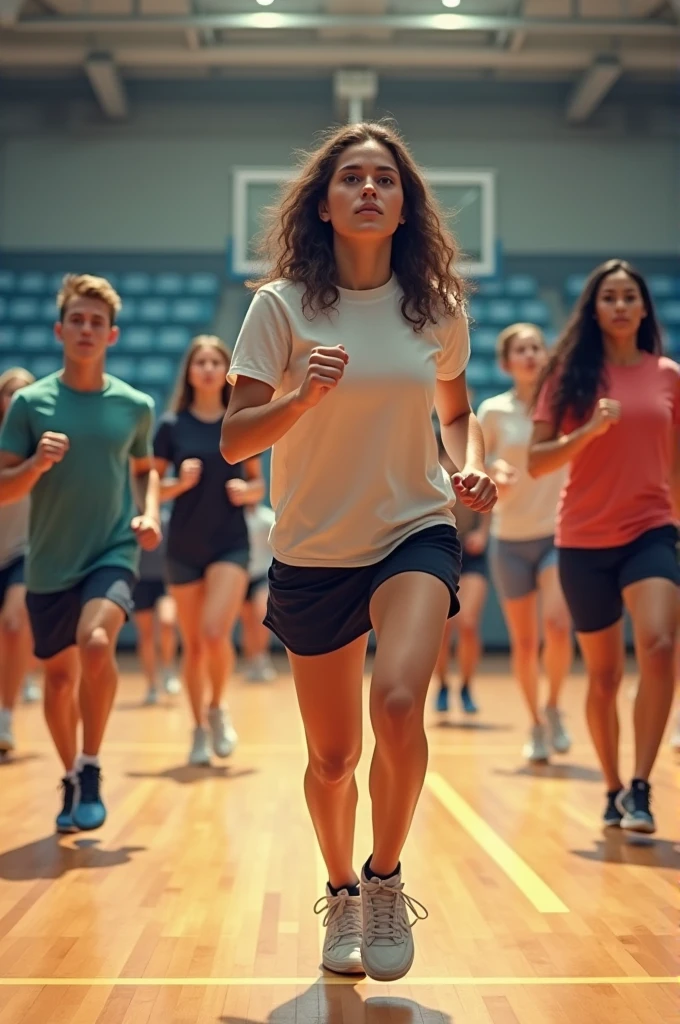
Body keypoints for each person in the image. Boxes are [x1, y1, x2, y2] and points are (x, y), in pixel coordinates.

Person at [221, 121, 496, 982]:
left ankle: (384, 878)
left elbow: (456, 412)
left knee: (403, 702)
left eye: (385, 178)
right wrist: (298, 399)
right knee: (333, 758)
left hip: (414, 527)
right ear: (326, 204)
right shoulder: (280, 306)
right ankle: (339, 887)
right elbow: (234, 439)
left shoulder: (438, 308)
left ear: (405, 202)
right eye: (352, 178)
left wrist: (472, 466)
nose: (370, 189)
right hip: (313, 547)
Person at [0, 274, 161, 832]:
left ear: (111, 334)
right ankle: (68, 775)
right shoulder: (29, 403)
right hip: (48, 562)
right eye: (78, 320)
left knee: (97, 645)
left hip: (112, 549)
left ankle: (91, 765)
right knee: (60, 681)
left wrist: (150, 513)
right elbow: (4, 488)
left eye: (97, 321)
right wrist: (35, 465)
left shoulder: (135, 405)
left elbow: (146, 474)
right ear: (60, 329)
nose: (87, 329)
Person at [529, 259, 680, 833]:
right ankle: (612, 786)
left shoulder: (668, 375)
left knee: (661, 645)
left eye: (629, 297)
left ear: (644, 308)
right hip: (584, 538)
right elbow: (536, 462)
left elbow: (676, 466)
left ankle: (641, 786)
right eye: (609, 297)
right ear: (594, 309)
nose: (619, 306)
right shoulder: (568, 374)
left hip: (651, 529)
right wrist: (587, 430)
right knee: (604, 677)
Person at [152, 336, 265, 765]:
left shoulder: (239, 421)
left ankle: (218, 708)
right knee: (194, 645)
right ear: (190, 371)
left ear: (226, 371)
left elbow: (258, 484)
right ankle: (197, 727)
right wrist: (177, 484)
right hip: (183, 546)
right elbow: (153, 490)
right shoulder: (170, 426)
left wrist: (247, 491)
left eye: (215, 361)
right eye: (199, 361)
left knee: (217, 633)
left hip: (230, 543)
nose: (207, 367)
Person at [478, 324, 572, 763]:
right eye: (521, 349)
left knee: (556, 625)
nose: (531, 354)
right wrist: (496, 473)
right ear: (506, 362)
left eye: (537, 346)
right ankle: (534, 721)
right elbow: (480, 464)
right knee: (524, 641)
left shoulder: (565, 405)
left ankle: (554, 706)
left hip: (557, 532)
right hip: (509, 537)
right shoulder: (493, 411)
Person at [434, 434, 489, 717]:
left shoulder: (475, 453)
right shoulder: (431, 449)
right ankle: (442, 684)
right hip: (441, 549)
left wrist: (483, 533)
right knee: (441, 628)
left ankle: (466, 686)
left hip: (473, 554)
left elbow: (489, 496)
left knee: (467, 623)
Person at [0, 368, 35, 754]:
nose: (16, 399)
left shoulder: (45, 447)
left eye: (24, 393)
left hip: (24, 551)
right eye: (10, 392)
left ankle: (5, 715)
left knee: (13, 625)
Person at [133, 506, 181, 705]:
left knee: (167, 623)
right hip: (139, 581)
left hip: (165, 581)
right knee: (146, 635)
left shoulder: (169, 518)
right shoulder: (131, 522)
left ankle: (168, 669)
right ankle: (151, 685)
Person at [241, 502, 277, 682]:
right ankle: (251, 662)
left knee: (261, 615)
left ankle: (262, 658)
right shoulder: (237, 518)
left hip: (262, 574)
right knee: (248, 622)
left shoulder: (268, 518)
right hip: (241, 575)